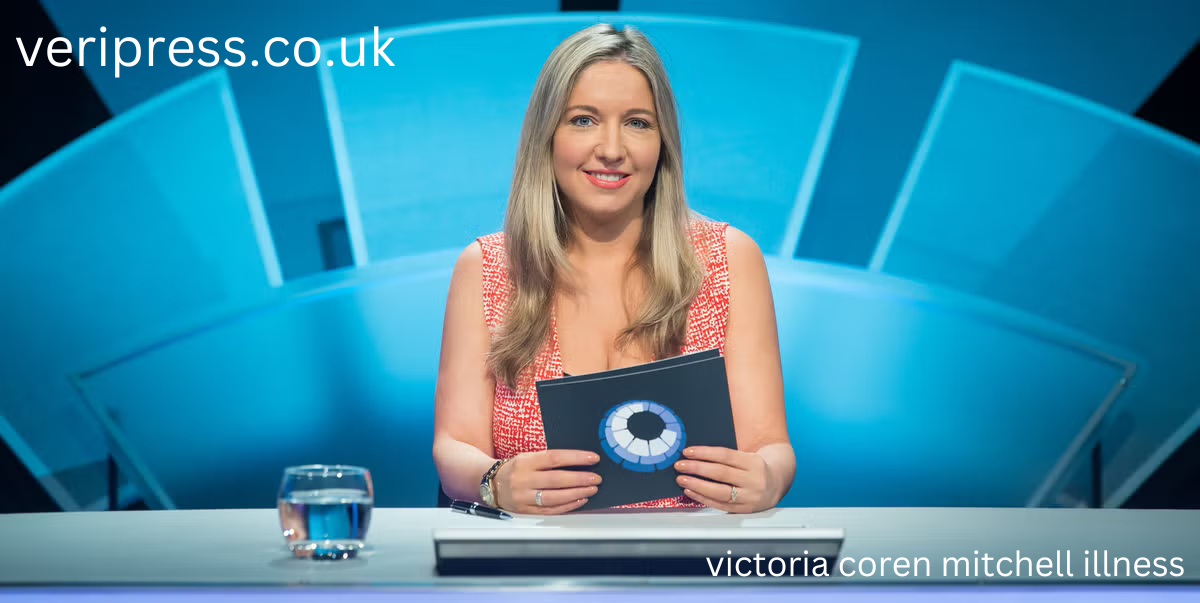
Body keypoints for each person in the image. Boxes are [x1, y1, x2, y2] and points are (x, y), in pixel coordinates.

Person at [432, 23, 794, 515]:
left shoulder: (727, 259)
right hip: (535, 554)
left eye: (637, 123)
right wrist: (495, 480)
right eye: (583, 120)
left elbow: (771, 447)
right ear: (547, 136)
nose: (611, 148)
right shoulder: (489, 267)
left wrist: (766, 480)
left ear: (663, 143)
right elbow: (454, 448)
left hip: (691, 552)